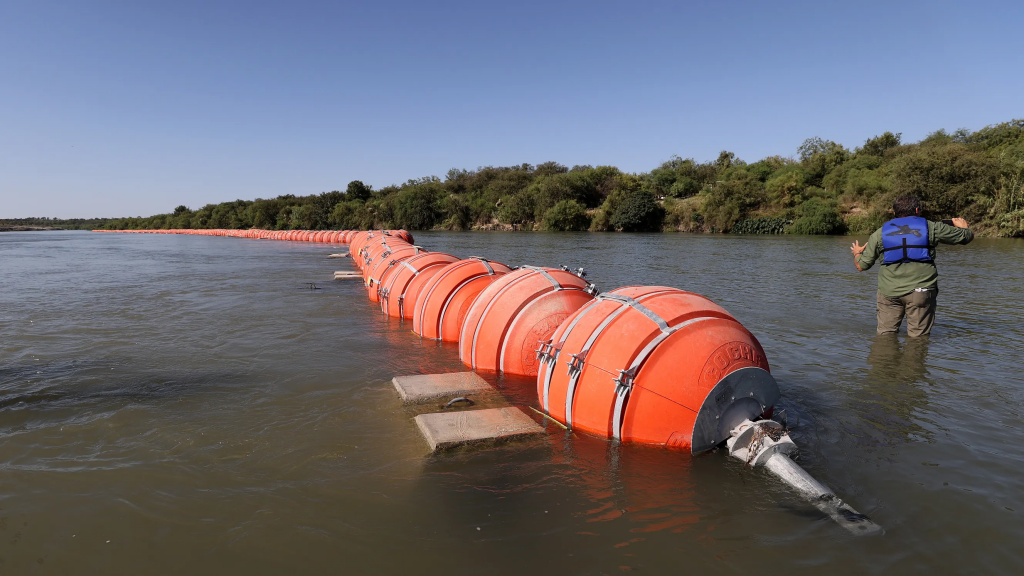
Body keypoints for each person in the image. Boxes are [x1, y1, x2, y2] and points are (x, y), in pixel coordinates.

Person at [850, 195, 973, 337]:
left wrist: (857, 253)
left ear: (895, 213)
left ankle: (884, 358)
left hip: (889, 292)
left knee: (885, 335)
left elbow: (861, 266)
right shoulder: (931, 227)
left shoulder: (879, 234)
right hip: (920, 291)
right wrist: (964, 228)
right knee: (918, 339)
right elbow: (966, 237)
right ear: (917, 210)